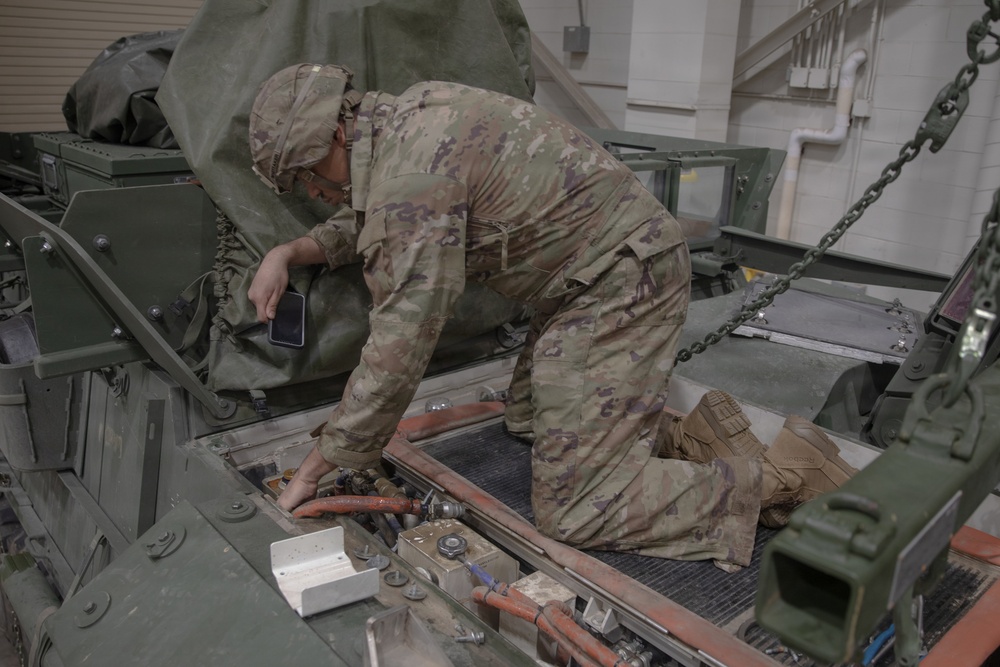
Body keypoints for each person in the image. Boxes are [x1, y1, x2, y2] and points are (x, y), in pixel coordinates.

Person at [247, 63, 856, 568]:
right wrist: (289, 252)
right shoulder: (408, 119)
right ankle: (700, 437)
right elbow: (378, 216)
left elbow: (399, 347)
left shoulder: (413, 175)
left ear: (331, 138)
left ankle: (785, 478)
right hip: (589, 280)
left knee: (579, 508)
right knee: (530, 419)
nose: (311, 194)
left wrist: (326, 461)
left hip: (621, 284)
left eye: (303, 177)